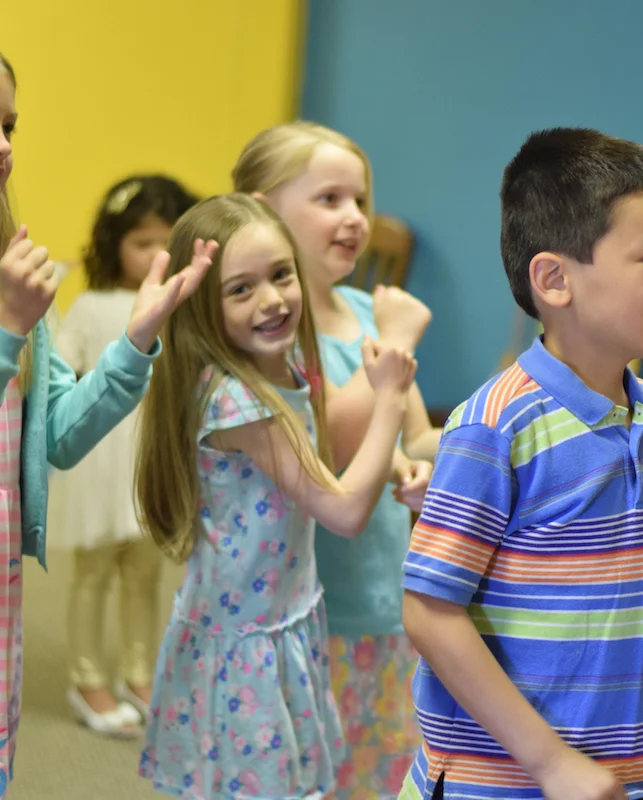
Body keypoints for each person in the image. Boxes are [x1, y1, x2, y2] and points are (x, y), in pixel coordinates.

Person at [0, 30, 209, 798]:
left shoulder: (6, 270)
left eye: (9, 125)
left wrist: (136, 343)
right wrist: (5, 323)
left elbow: (59, 436)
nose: (2, 144)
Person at [400, 128, 643, 800]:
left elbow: (639, 586)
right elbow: (429, 612)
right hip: (501, 782)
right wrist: (551, 763)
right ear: (554, 279)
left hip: (613, 777)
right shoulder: (495, 425)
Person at [134, 194, 420, 799]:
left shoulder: (281, 366)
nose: (272, 299)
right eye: (241, 289)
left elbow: (313, 456)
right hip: (246, 643)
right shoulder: (238, 401)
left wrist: (394, 464)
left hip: (282, 618)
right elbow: (343, 510)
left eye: (281, 275)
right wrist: (390, 400)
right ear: (203, 308)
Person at [233, 123, 437, 797]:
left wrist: (443, 460)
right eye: (329, 199)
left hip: (382, 600)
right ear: (264, 211)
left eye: (360, 200)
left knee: (377, 773)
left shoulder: (364, 313)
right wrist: (397, 342)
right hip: (302, 614)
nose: (355, 218)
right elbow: (325, 444)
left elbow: (413, 437)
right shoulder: (270, 328)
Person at [51, 174, 198, 736]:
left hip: (152, 454)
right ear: (114, 245)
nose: (156, 254)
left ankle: (140, 674)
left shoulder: (181, 306)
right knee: (93, 572)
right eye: (142, 242)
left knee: (145, 572)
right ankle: (87, 677)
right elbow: (62, 366)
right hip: (99, 456)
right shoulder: (92, 306)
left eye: (167, 241)